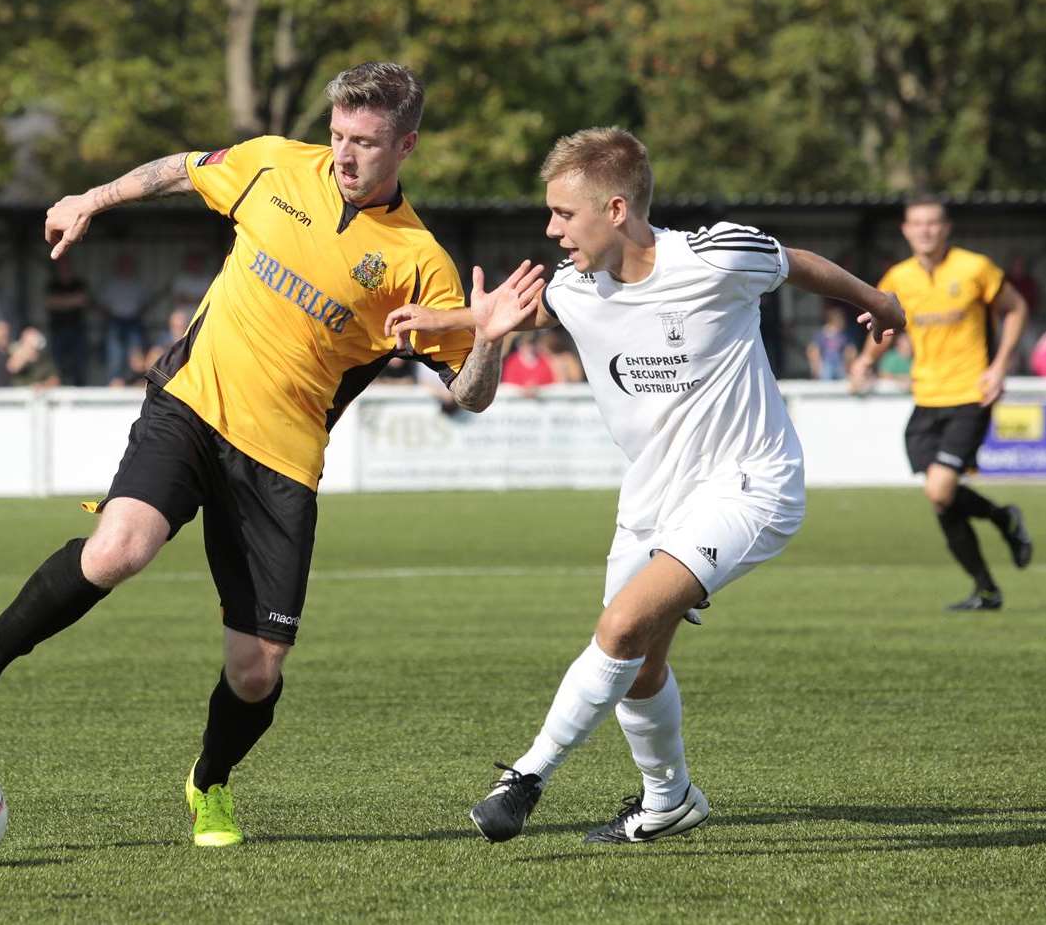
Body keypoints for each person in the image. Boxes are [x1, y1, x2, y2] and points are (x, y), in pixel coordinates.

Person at [0, 61, 544, 848]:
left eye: (364, 142)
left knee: (256, 670)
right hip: (190, 405)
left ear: (406, 144)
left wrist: (490, 340)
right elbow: (180, 168)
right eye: (337, 135)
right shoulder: (271, 162)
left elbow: (467, 393)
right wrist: (89, 199)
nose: (343, 154)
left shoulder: (416, 259)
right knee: (119, 548)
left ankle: (209, 783)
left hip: (280, 465)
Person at [385, 126, 905, 846]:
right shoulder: (573, 288)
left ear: (617, 208)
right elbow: (515, 311)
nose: (550, 228)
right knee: (636, 666)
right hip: (652, 498)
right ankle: (669, 799)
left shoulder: (715, 255)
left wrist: (881, 300)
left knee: (619, 628)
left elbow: (796, 263)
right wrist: (445, 319)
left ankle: (525, 778)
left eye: (563, 214)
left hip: (749, 483)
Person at [850, 196, 1032, 611]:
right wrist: (864, 360)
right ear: (906, 230)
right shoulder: (899, 277)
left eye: (933, 223)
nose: (926, 231)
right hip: (925, 398)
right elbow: (884, 324)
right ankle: (989, 578)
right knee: (941, 497)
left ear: (946, 227)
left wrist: (1000, 366)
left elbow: (1016, 308)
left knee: (939, 489)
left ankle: (995, 557)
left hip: (970, 393)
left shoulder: (975, 268)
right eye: (918, 224)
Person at [100, 253, 151, 382]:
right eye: (124, 264)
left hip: (134, 321)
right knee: (115, 354)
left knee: (136, 354)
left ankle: (135, 382)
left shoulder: (138, 284)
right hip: (115, 321)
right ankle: (115, 382)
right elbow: (103, 305)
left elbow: (145, 303)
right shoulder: (111, 284)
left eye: (129, 265)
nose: (126, 267)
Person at [44, 257, 91, 385]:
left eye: (66, 266)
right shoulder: (53, 284)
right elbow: (49, 303)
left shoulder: (78, 283)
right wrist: (72, 301)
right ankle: (59, 386)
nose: (64, 269)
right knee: (57, 363)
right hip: (58, 329)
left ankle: (80, 389)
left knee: (79, 362)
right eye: (61, 266)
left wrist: (61, 302)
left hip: (77, 328)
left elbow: (83, 300)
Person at [805, 303, 857, 380]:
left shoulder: (844, 335)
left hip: (840, 364)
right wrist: (816, 366)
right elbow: (813, 350)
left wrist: (849, 365)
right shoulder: (821, 334)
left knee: (843, 383)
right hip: (825, 364)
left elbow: (850, 350)